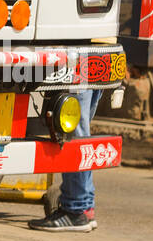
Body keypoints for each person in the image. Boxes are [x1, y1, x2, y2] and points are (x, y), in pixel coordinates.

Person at [28, 89, 102, 232]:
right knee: (82, 132)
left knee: (72, 130)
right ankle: (85, 206)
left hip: (79, 71)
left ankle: (75, 210)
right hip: (94, 69)